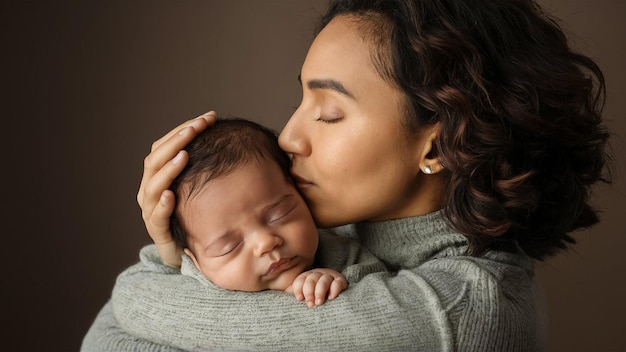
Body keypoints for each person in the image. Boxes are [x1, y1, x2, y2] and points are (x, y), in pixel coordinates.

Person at [82, 0, 611, 351]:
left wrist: (163, 267)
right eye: (301, 98)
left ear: (438, 143)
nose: (287, 137)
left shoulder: (465, 307)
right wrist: (182, 248)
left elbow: (127, 315)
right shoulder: (318, 238)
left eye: (329, 112)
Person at [166, 117, 362, 305]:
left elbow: (373, 277)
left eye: (280, 215)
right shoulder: (188, 285)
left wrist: (335, 281)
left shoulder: (343, 251)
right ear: (196, 264)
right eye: (229, 246)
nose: (265, 243)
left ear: (299, 192)